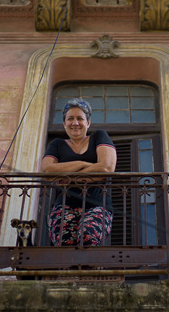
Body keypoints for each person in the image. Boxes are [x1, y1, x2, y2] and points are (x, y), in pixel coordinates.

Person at [41, 98, 117, 246]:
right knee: (65, 245)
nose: (75, 123)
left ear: (88, 123)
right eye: (70, 119)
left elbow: (106, 168)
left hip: (98, 205)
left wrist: (68, 177)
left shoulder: (99, 137)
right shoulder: (57, 144)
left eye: (80, 118)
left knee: (88, 239)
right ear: (64, 124)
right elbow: (46, 170)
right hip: (63, 205)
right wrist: (83, 164)